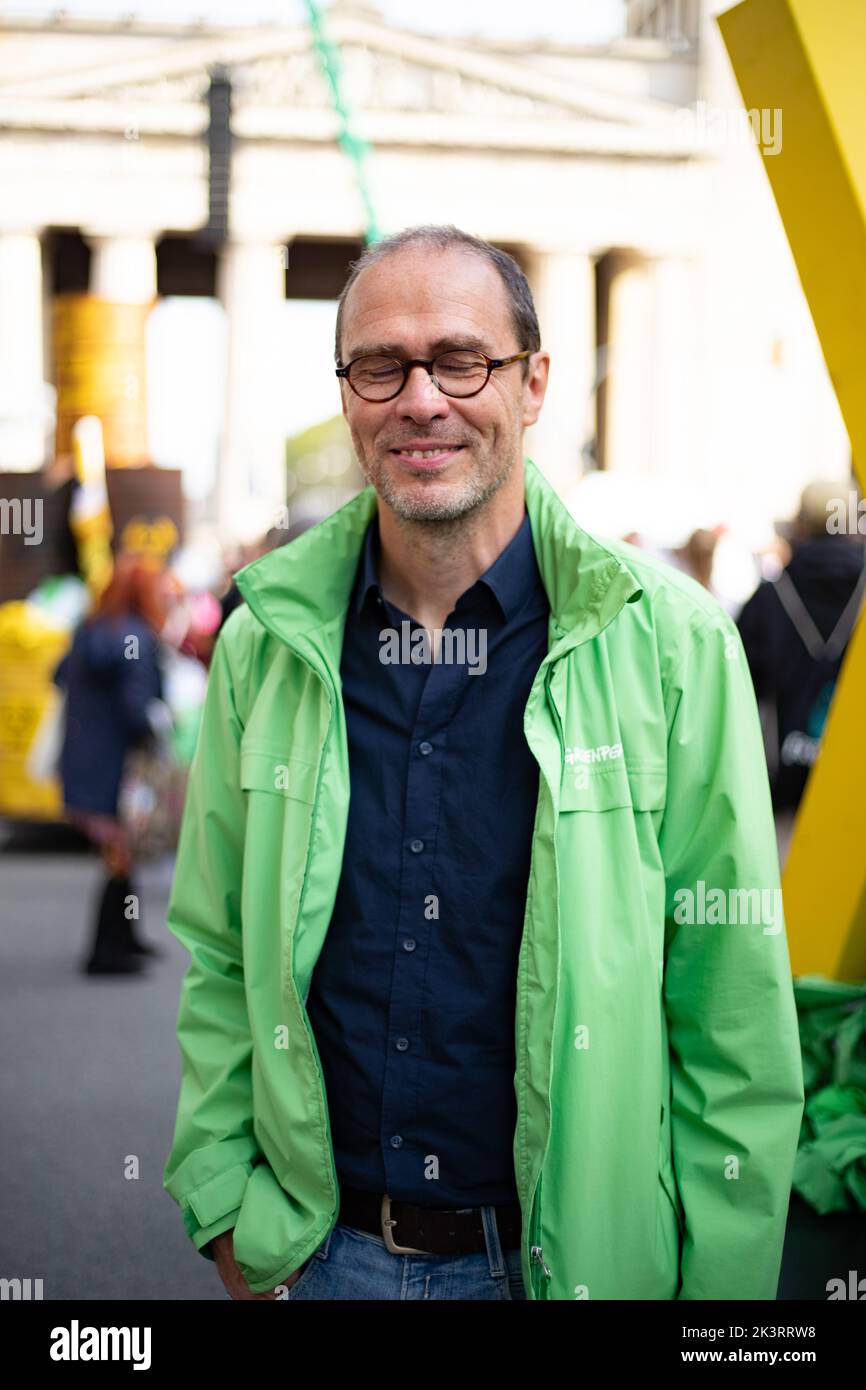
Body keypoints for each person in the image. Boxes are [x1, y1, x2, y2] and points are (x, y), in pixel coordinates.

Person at [163, 224, 804, 1301]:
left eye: (460, 359)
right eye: (380, 364)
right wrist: (226, 1209)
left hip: (571, 1273)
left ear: (533, 381)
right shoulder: (262, 646)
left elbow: (731, 1013)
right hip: (324, 1261)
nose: (420, 399)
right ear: (347, 391)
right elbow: (220, 956)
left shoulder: (674, 647)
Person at [54, 553, 170, 975]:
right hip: (120, 768)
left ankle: (126, 938)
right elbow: (137, 709)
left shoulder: (89, 632)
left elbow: (59, 676)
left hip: (85, 762)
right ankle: (107, 950)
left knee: (118, 855)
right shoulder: (137, 638)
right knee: (121, 856)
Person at [737, 479, 866, 817]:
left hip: (785, 787)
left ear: (800, 525)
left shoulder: (769, 598)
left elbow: (737, 688)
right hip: (856, 786)